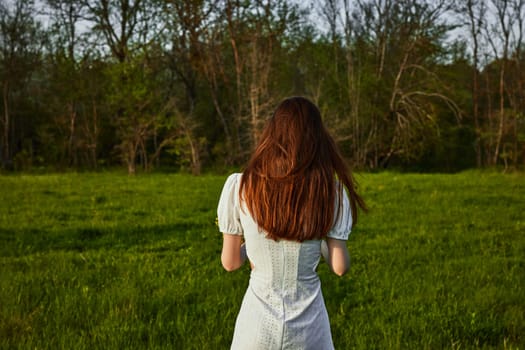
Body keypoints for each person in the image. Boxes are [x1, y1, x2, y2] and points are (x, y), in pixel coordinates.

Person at [217, 96, 366, 350]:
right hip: (309, 329)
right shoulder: (330, 191)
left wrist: (252, 247)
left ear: (272, 136)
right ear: (317, 139)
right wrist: (318, 243)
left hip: (257, 327)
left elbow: (230, 263)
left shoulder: (240, 186)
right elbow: (340, 266)